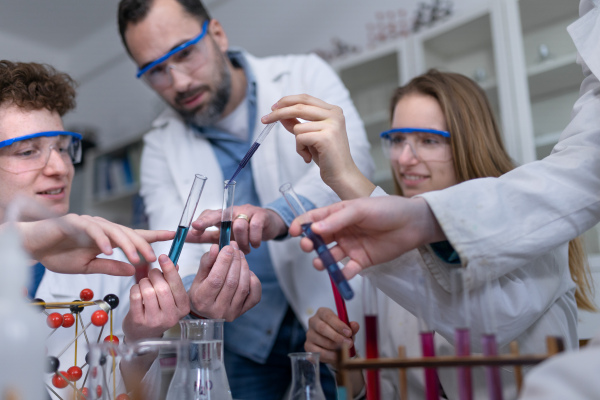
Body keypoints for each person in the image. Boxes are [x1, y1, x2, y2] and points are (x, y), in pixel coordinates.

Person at [262, 68, 594, 398]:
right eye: (397, 140)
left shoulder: (530, 221)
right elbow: (390, 389)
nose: (405, 159)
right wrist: (347, 367)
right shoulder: (388, 251)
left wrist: (348, 176)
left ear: (470, 143)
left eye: (428, 140)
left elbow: (481, 324)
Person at [117, 0, 374, 397]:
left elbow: (355, 166)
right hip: (242, 343)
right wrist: (197, 294)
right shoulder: (159, 146)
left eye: (184, 54)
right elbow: (176, 251)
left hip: (328, 324)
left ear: (217, 34)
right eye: (155, 71)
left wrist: (275, 216)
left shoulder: (304, 74)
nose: (179, 81)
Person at [0, 59, 260, 398]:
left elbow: (121, 391)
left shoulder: (108, 269)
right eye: (28, 151)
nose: (61, 167)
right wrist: (18, 241)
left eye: (63, 148)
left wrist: (140, 340)